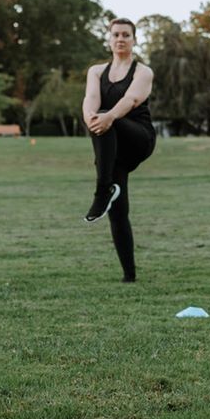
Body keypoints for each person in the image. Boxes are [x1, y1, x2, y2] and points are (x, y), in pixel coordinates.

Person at [81, 18, 155, 283]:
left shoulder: (142, 71)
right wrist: (91, 117)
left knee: (103, 118)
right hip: (113, 147)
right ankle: (129, 275)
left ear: (134, 40)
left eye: (126, 34)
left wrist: (105, 117)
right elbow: (90, 99)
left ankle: (102, 189)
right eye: (116, 34)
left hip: (138, 138)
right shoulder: (96, 71)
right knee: (118, 211)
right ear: (109, 39)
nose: (120, 38)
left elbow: (131, 100)